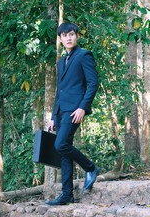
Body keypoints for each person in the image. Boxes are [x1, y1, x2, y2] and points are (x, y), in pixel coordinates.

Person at [45, 22, 99, 206]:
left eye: (71, 34)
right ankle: (66, 194)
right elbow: (59, 91)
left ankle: (90, 167)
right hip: (61, 111)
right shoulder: (61, 62)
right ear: (60, 39)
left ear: (77, 36)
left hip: (75, 109)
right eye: (64, 35)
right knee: (63, 152)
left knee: (61, 144)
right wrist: (53, 115)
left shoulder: (84, 56)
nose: (68, 38)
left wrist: (83, 107)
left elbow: (93, 83)